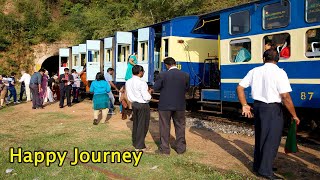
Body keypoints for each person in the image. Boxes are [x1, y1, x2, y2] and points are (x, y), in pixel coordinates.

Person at [236, 49, 300, 179]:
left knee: (260, 137)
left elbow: (239, 88)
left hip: (258, 107)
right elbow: (285, 96)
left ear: (263, 58)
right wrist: (294, 115)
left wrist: (245, 105)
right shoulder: (280, 73)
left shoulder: (255, 71)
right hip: (272, 109)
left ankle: (259, 165)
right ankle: (265, 170)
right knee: (272, 139)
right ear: (277, 60)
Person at [153, 57, 190, 155]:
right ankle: (181, 149)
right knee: (180, 126)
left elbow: (156, 88)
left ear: (166, 65)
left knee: (164, 126)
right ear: (175, 63)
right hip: (180, 105)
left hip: (165, 105)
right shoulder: (185, 75)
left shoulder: (162, 75)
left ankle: (165, 149)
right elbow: (187, 88)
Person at [126, 65, 152, 151]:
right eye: (143, 71)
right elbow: (146, 97)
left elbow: (129, 94)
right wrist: (150, 93)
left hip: (134, 104)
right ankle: (140, 146)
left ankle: (136, 142)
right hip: (143, 105)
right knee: (143, 125)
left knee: (136, 124)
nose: (144, 73)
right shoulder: (142, 83)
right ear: (140, 72)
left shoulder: (128, 81)